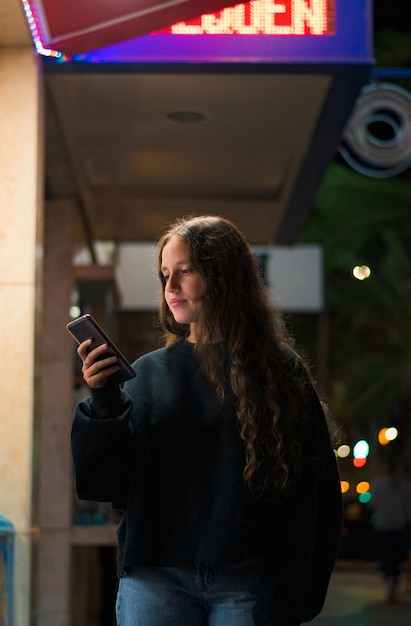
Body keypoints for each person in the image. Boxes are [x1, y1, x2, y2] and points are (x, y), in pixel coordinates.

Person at [71, 215, 343, 626]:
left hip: (247, 584)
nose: (171, 288)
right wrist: (104, 400)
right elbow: (103, 484)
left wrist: (291, 596)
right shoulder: (147, 374)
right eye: (165, 275)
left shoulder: (278, 372)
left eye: (186, 271)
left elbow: (316, 496)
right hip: (154, 581)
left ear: (222, 277)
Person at [371, 457, 411, 603]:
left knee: (387, 557)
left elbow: (371, 504)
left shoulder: (379, 484)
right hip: (398, 526)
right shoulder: (401, 484)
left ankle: (390, 588)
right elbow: (408, 508)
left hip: (383, 526)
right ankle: (393, 589)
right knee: (396, 558)